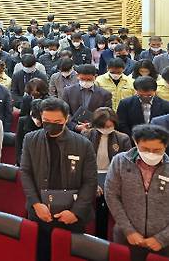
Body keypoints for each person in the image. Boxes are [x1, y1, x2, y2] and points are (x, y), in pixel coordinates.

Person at [20, 97, 97, 261]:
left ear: (67, 119)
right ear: (41, 117)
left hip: (71, 215)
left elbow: (90, 182)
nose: (51, 125)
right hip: (39, 211)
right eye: (46, 121)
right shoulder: (31, 139)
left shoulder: (83, 144)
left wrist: (75, 212)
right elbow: (25, 172)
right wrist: (35, 204)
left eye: (57, 121)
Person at [105, 124, 169, 260]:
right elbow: (111, 195)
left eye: (157, 150)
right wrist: (129, 231)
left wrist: (163, 238)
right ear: (135, 142)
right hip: (126, 237)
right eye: (145, 149)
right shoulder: (120, 162)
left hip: (163, 243)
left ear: (165, 146)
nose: (151, 154)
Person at [83, 107, 132, 238]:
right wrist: (92, 182)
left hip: (112, 176)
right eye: (103, 126)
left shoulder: (123, 138)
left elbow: (127, 166)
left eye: (109, 126)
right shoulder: (87, 135)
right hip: (92, 174)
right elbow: (83, 162)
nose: (106, 129)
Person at [61, 64, 112, 132]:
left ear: (95, 77)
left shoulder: (105, 94)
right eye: (82, 79)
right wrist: (75, 126)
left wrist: (92, 125)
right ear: (77, 76)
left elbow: (106, 114)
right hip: (73, 131)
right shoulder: (68, 91)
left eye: (89, 79)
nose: (85, 82)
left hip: (95, 131)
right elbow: (65, 112)